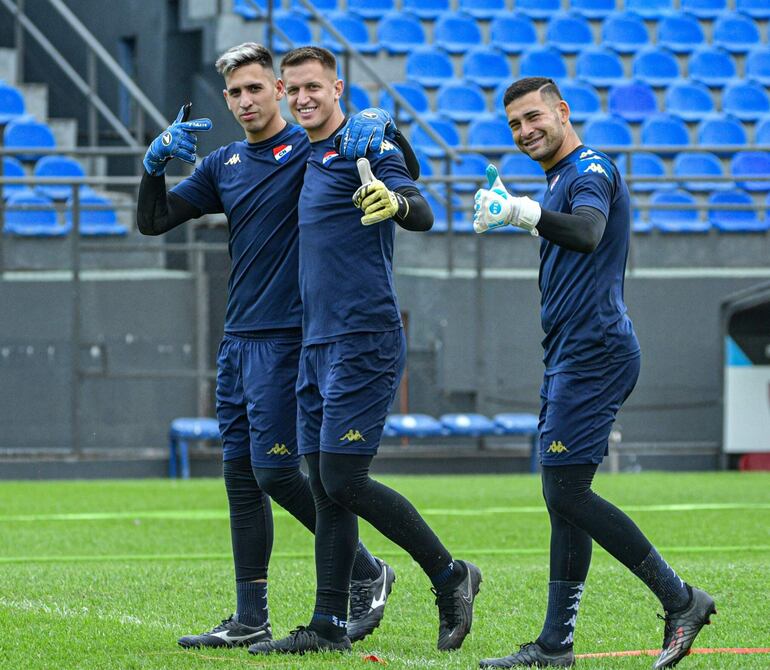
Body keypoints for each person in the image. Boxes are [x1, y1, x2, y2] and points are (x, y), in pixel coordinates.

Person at [136, 42, 414, 650]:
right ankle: (249, 616)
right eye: (234, 92)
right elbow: (154, 222)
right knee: (241, 477)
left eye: (256, 88)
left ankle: (366, 572)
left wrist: (387, 125)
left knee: (279, 473)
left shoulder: (311, 153)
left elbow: (385, 165)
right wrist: (152, 164)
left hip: (294, 338)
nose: (245, 101)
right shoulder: (225, 163)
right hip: (238, 339)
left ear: (281, 91)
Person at [471, 77, 716, 669]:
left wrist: (522, 213)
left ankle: (680, 599)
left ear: (562, 110)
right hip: (569, 355)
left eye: (534, 117)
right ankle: (556, 644)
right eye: (515, 126)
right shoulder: (558, 178)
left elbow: (587, 232)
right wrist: (523, 209)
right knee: (563, 498)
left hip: (596, 353)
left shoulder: (590, 170)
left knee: (566, 490)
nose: (526, 131)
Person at [248, 46, 482, 657]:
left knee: (344, 478)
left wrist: (395, 192)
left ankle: (450, 574)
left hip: (364, 337)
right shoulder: (302, 151)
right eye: (293, 89)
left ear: (338, 87)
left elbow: (423, 208)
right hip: (315, 343)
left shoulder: (362, 151)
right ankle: (327, 626)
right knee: (325, 489)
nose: (302, 98)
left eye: (313, 88)